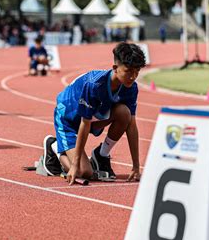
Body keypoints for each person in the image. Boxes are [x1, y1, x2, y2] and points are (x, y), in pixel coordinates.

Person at [42, 42, 146, 185]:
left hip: (92, 116)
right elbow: (84, 124)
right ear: (115, 68)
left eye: (137, 72)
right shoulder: (94, 85)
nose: (133, 77)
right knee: (84, 172)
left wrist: (136, 166)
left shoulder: (131, 87)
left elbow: (131, 125)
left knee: (124, 113)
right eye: (129, 71)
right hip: (68, 119)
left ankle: (101, 155)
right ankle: (54, 147)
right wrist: (74, 165)